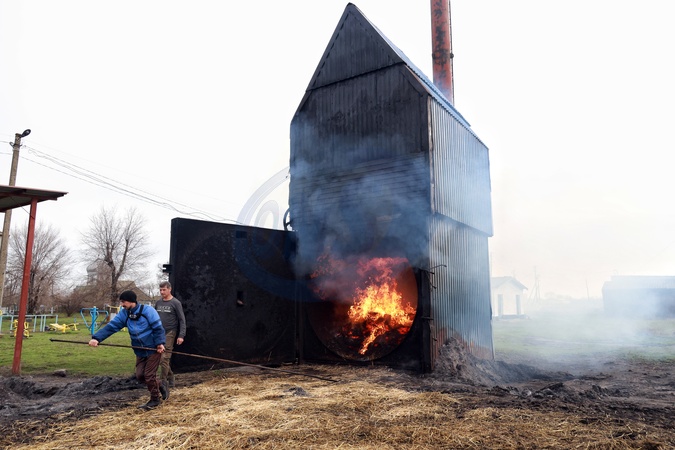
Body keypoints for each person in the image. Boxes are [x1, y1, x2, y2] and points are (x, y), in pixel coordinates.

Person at [88, 290, 169, 410]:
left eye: (123, 302)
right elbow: (112, 327)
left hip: (153, 348)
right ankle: (161, 384)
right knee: (140, 376)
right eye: (121, 302)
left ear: (132, 301)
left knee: (149, 375)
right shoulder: (124, 314)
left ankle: (155, 399)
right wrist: (97, 338)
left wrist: (160, 343)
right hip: (139, 350)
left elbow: (158, 328)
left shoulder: (148, 311)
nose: (121, 305)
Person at [154, 281, 186, 388]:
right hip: (159, 333)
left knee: (164, 358)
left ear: (169, 289)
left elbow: (182, 320)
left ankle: (163, 382)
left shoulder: (175, 303)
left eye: (164, 290)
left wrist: (181, 335)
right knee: (159, 358)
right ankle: (171, 376)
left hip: (170, 332)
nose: (162, 292)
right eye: (160, 290)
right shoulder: (158, 303)